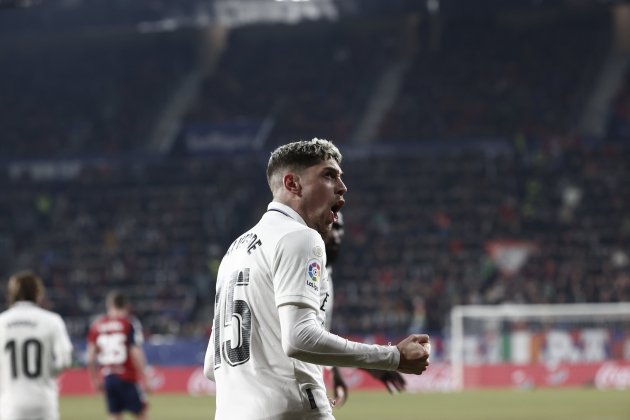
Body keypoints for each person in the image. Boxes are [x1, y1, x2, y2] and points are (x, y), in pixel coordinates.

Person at [204, 138, 430, 420]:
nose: (342, 187)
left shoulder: (235, 251)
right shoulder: (299, 237)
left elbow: (212, 365)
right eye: (328, 175)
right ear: (292, 184)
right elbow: (299, 339)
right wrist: (392, 357)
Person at [323, 212, 406, 406]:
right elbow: (299, 337)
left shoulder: (324, 272)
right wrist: (370, 360)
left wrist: (334, 369)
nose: (336, 235)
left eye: (340, 229)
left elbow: (317, 333)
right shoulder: (302, 269)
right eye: (331, 227)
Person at [0, 270, 73, 420]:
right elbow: (65, 359)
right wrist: (47, 372)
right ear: (38, 293)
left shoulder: (2, 322)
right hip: (44, 402)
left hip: (10, 404)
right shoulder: (52, 320)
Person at [87, 290, 149, 420]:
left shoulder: (97, 325)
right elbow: (135, 352)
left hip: (108, 377)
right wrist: (146, 377)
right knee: (141, 414)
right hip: (127, 377)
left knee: (114, 415)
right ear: (126, 305)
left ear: (109, 305)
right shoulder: (128, 324)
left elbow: (91, 357)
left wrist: (94, 380)